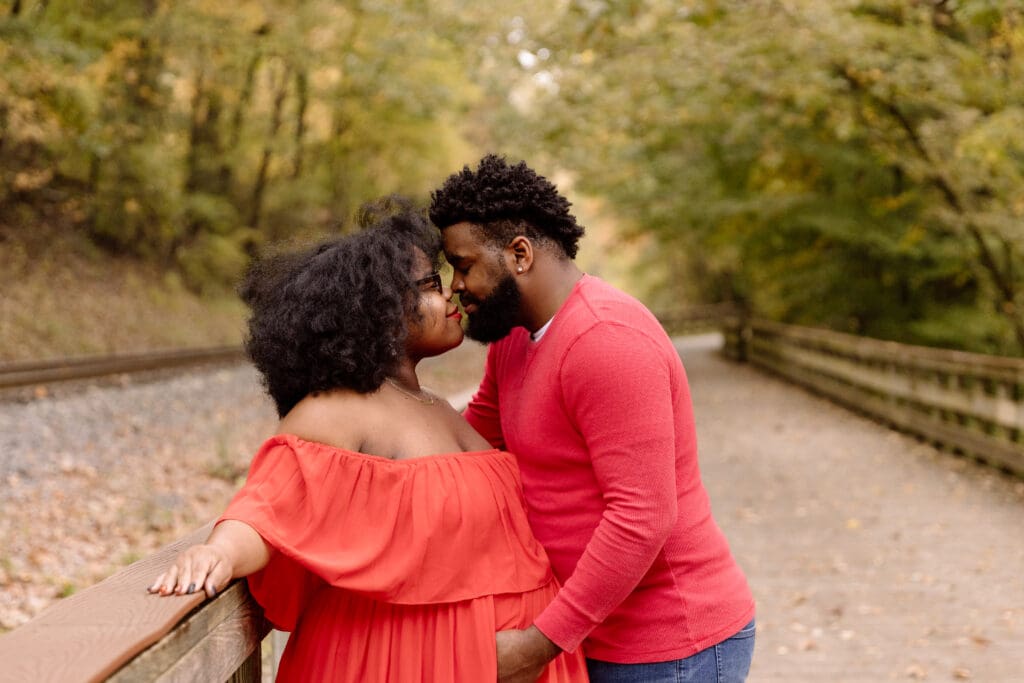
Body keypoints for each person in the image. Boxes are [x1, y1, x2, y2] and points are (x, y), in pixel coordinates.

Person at [148, 199, 588, 682]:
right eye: (432, 285)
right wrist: (218, 553)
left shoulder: (438, 407)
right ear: (380, 310)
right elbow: (268, 509)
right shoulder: (337, 408)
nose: (453, 298)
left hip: (504, 659)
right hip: (406, 662)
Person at [428, 155, 756, 683]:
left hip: (672, 648)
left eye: (463, 265)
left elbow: (642, 517)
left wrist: (539, 644)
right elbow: (467, 447)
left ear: (519, 254)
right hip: (593, 637)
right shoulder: (513, 339)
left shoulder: (606, 340)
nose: (456, 285)